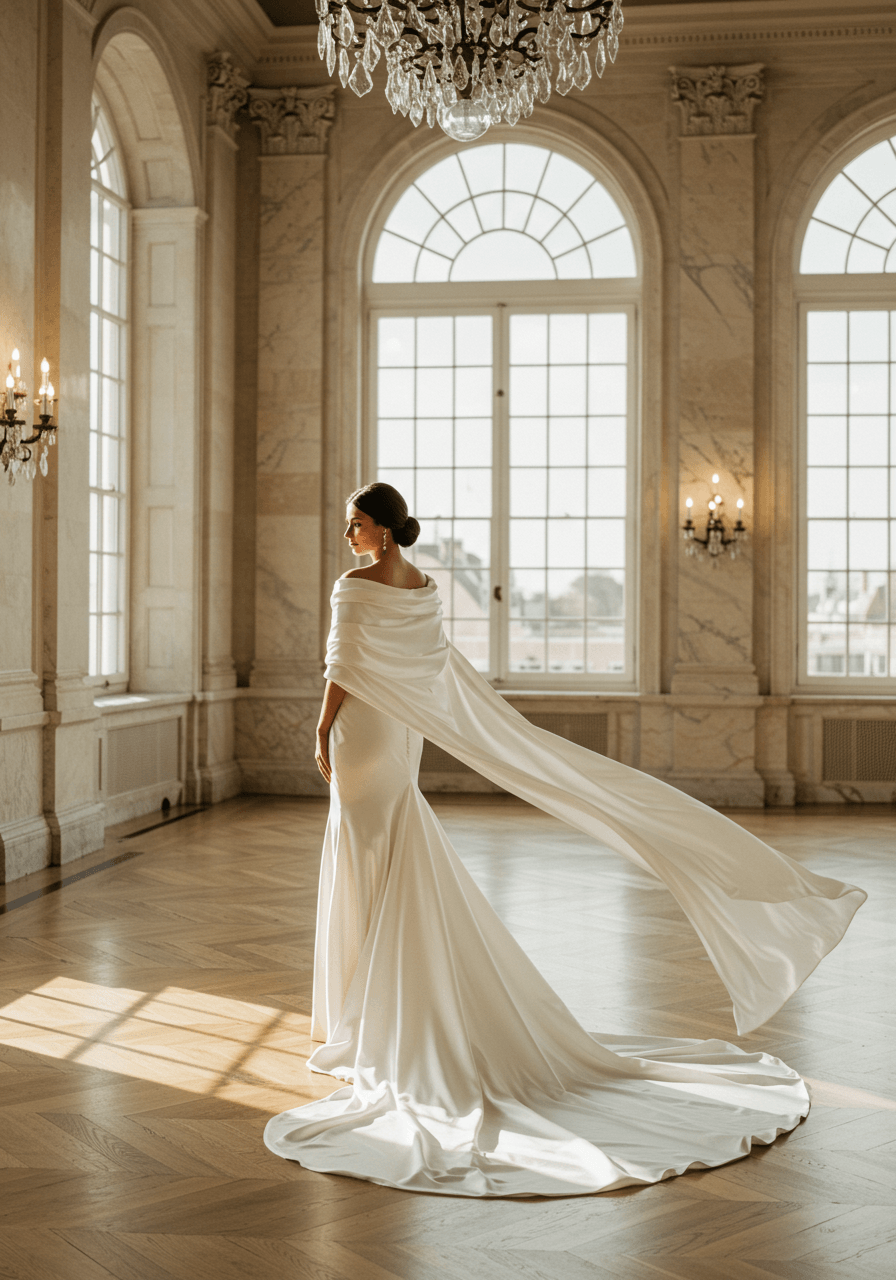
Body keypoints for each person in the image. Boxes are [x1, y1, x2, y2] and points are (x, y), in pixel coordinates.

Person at [263, 482, 866, 1198]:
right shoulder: (421, 586)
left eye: (356, 524)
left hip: (363, 728)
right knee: (389, 843)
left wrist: (321, 727)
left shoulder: (355, 586)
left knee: (369, 846)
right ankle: (366, 1008)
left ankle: (362, 1014)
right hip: (399, 735)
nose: (348, 534)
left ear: (384, 533)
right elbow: (422, 666)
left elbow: (342, 669)